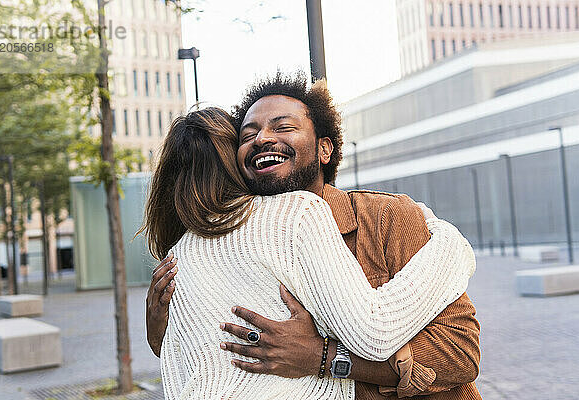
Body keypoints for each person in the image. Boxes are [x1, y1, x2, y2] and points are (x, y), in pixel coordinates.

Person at [146, 72, 481, 399]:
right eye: (247, 135)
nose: (262, 138)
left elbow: (459, 352)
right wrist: (161, 332)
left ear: (325, 150)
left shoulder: (386, 217)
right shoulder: (237, 248)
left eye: (283, 126)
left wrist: (323, 358)